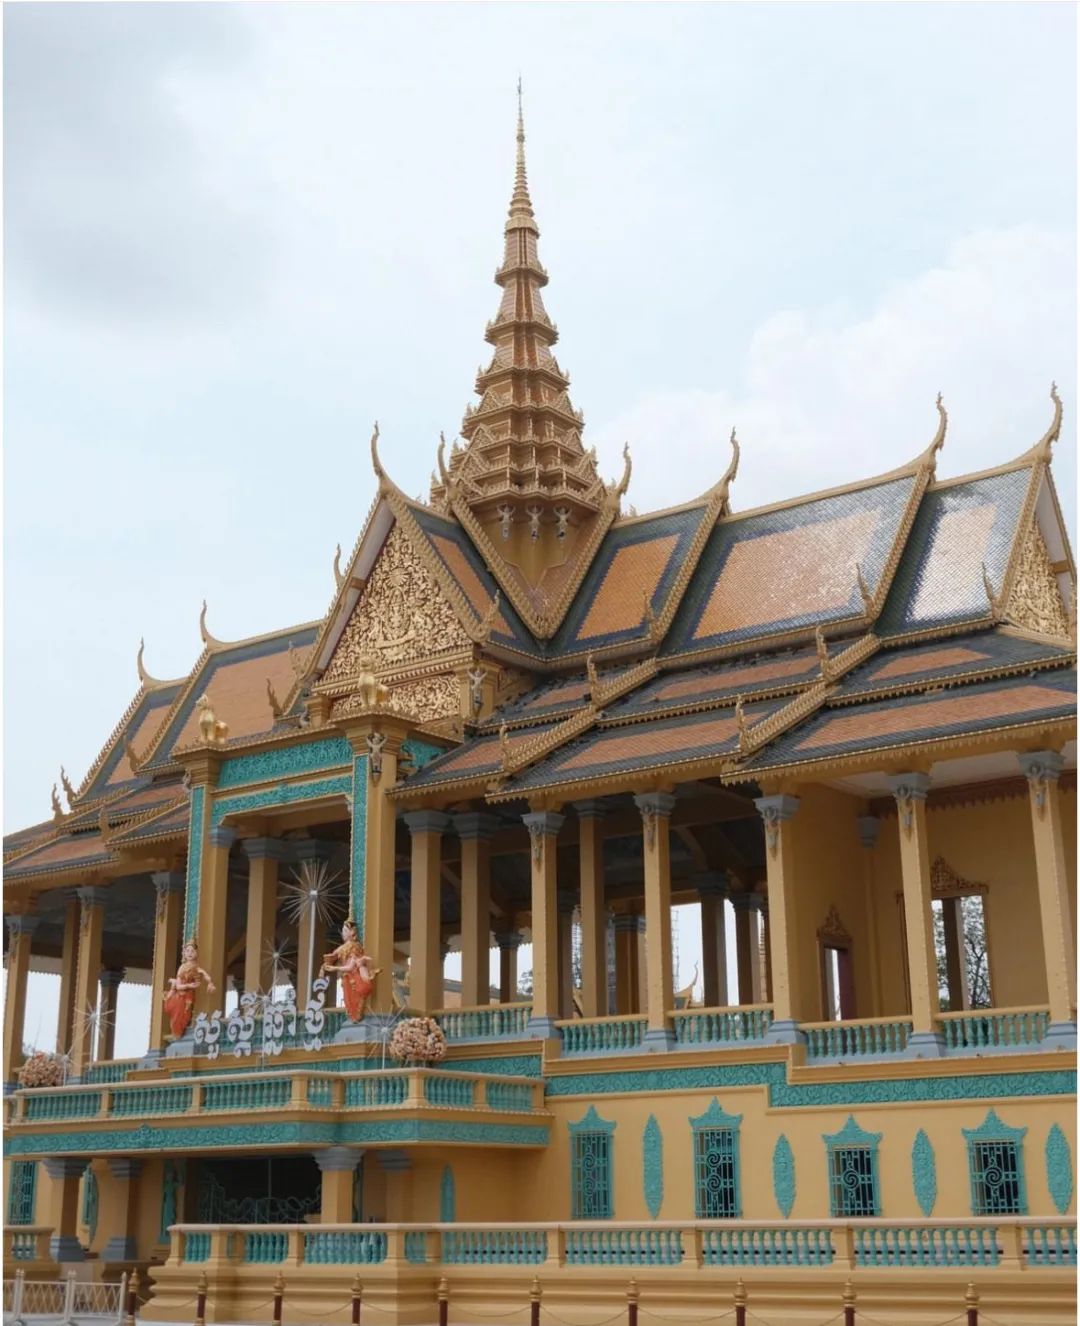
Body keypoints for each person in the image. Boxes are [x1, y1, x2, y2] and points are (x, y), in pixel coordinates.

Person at [320, 919, 378, 1022]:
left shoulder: (355, 947)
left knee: (354, 999)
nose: (343, 933)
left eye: (345, 931)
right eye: (343, 931)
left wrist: (335, 968)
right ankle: (353, 1017)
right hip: (346, 978)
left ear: (352, 933)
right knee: (348, 1000)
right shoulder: (342, 948)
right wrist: (326, 964)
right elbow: (333, 956)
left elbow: (350, 967)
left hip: (353, 977)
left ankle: (356, 1016)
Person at [163, 940, 216, 1039]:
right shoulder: (182, 968)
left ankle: (179, 1031)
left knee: (186, 1015)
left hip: (188, 996)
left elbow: (205, 974)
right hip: (181, 995)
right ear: (184, 953)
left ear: (196, 953)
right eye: (187, 951)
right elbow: (179, 986)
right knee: (178, 1015)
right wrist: (189, 986)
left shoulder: (196, 967)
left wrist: (210, 983)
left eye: (192, 951)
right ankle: (177, 1033)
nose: (190, 953)